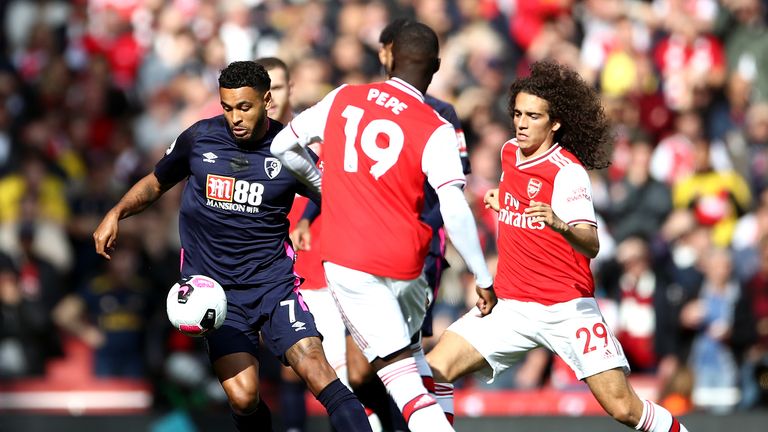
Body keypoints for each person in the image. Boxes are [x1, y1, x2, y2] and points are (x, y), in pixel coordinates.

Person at [92, 61, 371, 432]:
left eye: (244, 107)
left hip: (273, 286)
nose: (235, 117)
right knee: (244, 398)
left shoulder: (289, 150)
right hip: (216, 294)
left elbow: (337, 195)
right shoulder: (199, 139)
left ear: (266, 101)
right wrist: (117, 212)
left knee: (317, 370)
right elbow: (156, 182)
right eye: (227, 107)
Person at [425, 60, 691, 432]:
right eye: (517, 113)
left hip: (565, 309)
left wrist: (560, 223)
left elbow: (592, 243)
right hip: (512, 306)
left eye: (533, 116)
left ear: (555, 123)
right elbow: (522, 199)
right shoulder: (507, 153)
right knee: (434, 370)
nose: (521, 123)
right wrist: (507, 200)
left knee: (624, 408)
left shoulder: (568, 173)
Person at [271, 22, 494, 432]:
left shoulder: (344, 97)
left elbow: (282, 145)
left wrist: (321, 186)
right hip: (412, 264)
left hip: (351, 261)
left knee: (399, 382)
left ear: (388, 57)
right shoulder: (436, 125)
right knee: (409, 362)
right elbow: (454, 206)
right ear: (436, 66)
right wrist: (482, 276)